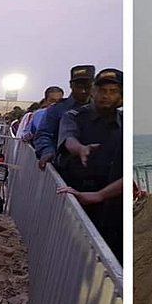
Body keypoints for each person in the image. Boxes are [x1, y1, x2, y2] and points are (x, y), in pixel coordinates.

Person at [55, 67, 123, 261]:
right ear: (94, 91)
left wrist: (101, 195)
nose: (105, 96)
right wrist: (80, 149)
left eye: (112, 92)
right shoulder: (74, 116)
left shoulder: (124, 124)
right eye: (102, 91)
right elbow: (68, 138)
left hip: (110, 203)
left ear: (121, 96)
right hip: (77, 195)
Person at [33, 65, 95, 170]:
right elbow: (43, 134)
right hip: (65, 169)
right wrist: (47, 151)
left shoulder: (100, 109)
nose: (83, 91)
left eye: (87, 86)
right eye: (79, 86)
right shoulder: (57, 109)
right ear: (71, 85)